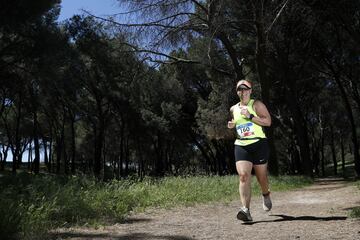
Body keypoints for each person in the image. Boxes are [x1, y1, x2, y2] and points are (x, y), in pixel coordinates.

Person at [227, 79, 272, 222]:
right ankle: (246, 210)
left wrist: (251, 116)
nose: (243, 92)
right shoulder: (233, 109)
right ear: (237, 92)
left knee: (261, 178)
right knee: (243, 176)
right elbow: (236, 123)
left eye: (245, 89)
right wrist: (232, 125)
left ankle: (266, 194)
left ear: (250, 91)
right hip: (241, 144)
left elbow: (268, 122)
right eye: (240, 89)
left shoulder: (256, 104)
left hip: (259, 144)